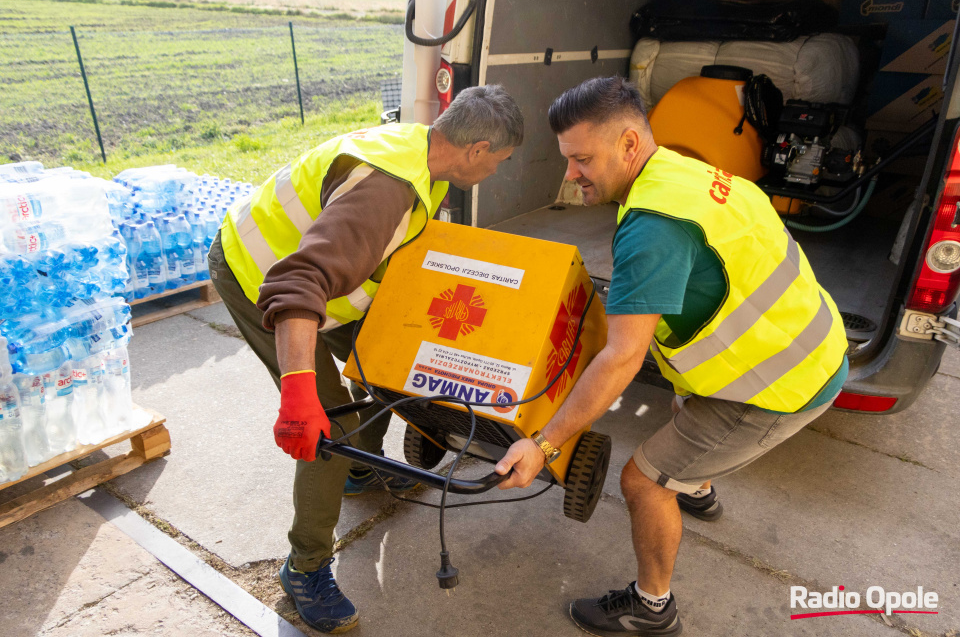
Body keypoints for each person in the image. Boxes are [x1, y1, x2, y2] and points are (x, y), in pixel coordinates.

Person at [494, 76, 848, 637]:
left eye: (583, 158)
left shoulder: (653, 231)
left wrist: (544, 443)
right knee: (682, 396)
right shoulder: (680, 171)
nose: (570, 174)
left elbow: (621, 359)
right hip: (804, 341)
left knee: (643, 482)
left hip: (781, 386)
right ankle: (699, 485)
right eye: (568, 159)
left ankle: (651, 607)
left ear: (630, 144)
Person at [207, 85, 524, 633]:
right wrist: (299, 394)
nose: (495, 172)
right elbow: (298, 281)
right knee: (328, 425)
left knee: (382, 368)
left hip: (322, 288)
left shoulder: (420, 156)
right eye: (498, 161)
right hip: (260, 276)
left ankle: (360, 468)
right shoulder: (386, 186)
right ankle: (304, 568)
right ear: (476, 150)